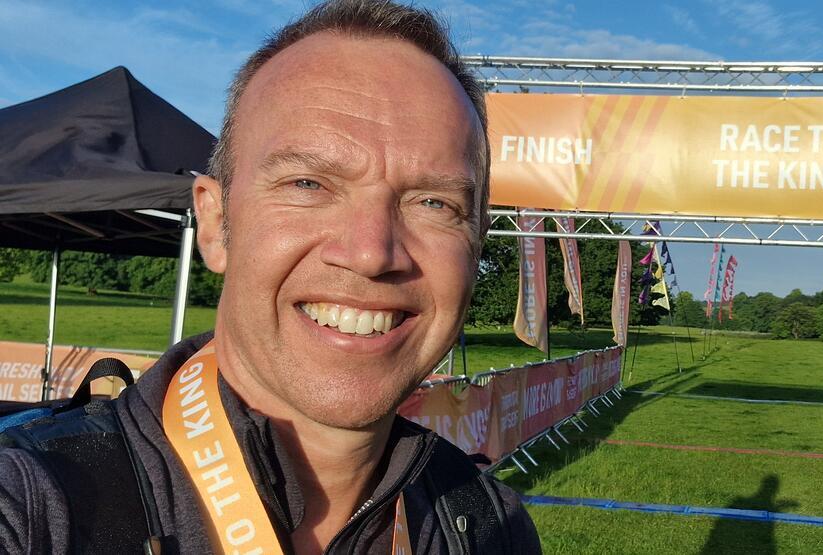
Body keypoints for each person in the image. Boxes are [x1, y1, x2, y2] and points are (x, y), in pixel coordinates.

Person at [0, 1, 542, 553]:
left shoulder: (490, 526)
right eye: (309, 184)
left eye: (433, 201)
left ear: (475, 245)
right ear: (214, 225)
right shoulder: (32, 505)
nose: (371, 253)